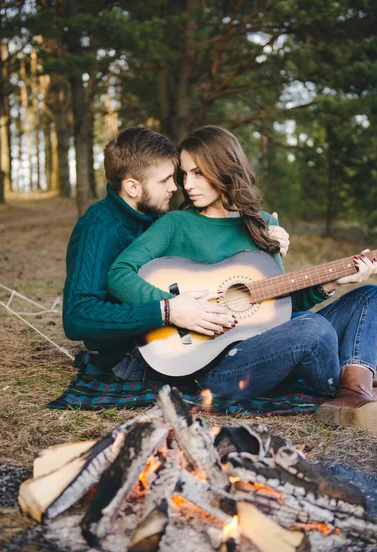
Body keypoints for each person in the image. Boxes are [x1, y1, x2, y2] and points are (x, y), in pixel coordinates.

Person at [107, 125, 377, 432]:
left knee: (368, 297)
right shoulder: (175, 224)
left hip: (270, 339)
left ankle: (354, 394)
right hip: (217, 364)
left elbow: (280, 306)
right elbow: (119, 274)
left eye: (198, 173)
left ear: (225, 169)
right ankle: (357, 382)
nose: (188, 184)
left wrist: (330, 284)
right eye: (184, 174)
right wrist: (173, 306)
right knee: (314, 329)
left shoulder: (263, 224)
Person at [63, 127, 290, 379]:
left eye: (177, 176)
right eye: (166, 180)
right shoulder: (98, 227)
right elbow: (78, 316)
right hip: (137, 353)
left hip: (177, 343)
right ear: (132, 187)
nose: (177, 187)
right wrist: (167, 311)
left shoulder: (152, 216)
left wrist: (266, 250)